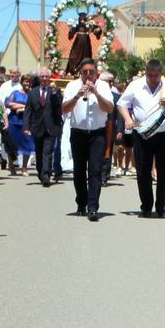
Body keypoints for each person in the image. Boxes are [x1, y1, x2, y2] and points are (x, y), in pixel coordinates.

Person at [118, 59, 165, 218]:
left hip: (162, 134)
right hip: (141, 134)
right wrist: (127, 119)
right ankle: (146, 206)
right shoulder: (136, 85)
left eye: (156, 75)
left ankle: (161, 206)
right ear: (146, 72)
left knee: (163, 171)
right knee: (143, 170)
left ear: (161, 73)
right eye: (150, 75)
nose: (153, 78)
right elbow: (122, 104)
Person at [61, 56, 115, 220]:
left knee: (95, 171)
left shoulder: (104, 86)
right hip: (78, 133)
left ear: (96, 73)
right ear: (81, 73)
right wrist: (77, 96)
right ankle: (81, 202)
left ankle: (93, 207)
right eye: (85, 72)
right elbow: (64, 109)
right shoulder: (72, 86)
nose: (88, 75)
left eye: (91, 72)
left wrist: (96, 93)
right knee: (79, 171)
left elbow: (109, 108)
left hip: (97, 134)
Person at [24, 67, 63, 186]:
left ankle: (47, 174)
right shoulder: (33, 92)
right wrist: (26, 127)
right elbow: (28, 111)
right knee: (39, 152)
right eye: (42, 76)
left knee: (48, 151)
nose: (45, 79)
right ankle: (41, 172)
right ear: (39, 78)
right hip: (37, 127)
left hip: (51, 126)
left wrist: (55, 94)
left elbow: (59, 107)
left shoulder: (54, 90)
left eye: (46, 76)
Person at [6, 74, 33, 174]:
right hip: (14, 121)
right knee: (12, 144)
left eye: (29, 82)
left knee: (28, 143)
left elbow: (34, 106)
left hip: (27, 122)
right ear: (22, 82)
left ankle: (24, 167)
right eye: (25, 81)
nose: (27, 83)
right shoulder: (15, 93)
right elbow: (8, 103)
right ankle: (11, 164)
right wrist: (23, 106)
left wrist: (24, 108)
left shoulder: (32, 94)